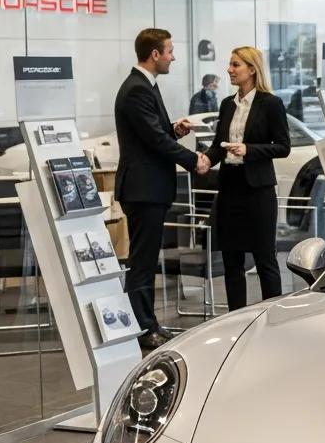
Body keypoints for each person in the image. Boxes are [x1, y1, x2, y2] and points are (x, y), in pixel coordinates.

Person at [114, 27, 210, 352]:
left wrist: (174, 131)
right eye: (169, 51)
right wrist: (193, 160)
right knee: (142, 263)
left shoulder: (144, 87)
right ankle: (143, 330)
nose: (173, 57)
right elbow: (154, 141)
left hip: (149, 189)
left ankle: (148, 324)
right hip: (143, 191)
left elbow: (155, 134)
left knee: (145, 260)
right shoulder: (137, 90)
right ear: (154, 54)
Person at [205, 46, 290, 310]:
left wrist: (250, 150)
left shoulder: (271, 104)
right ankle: (236, 319)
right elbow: (219, 144)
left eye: (235, 65)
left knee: (265, 258)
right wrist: (204, 160)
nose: (229, 70)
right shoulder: (226, 104)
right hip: (230, 187)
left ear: (252, 69)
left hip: (258, 190)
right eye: (230, 65)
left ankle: (273, 317)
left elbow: (283, 146)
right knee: (232, 260)